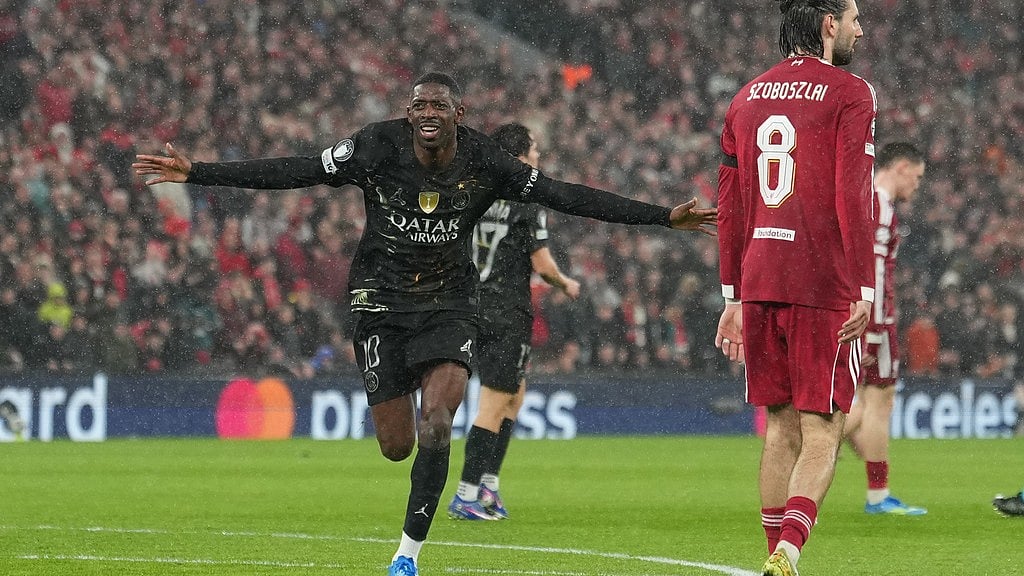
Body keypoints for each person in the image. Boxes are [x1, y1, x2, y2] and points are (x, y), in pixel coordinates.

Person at [134, 72, 716, 576]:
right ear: (408, 114)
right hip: (380, 301)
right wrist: (200, 173)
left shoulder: (485, 159)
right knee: (397, 445)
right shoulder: (375, 147)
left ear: (459, 116)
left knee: (439, 423)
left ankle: (408, 553)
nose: (429, 114)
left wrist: (662, 218)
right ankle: (411, 432)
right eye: (420, 106)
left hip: (450, 304)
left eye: (440, 106)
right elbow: (300, 169)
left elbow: (566, 195)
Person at [713, 2, 874, 574]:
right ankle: (787, 551)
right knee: (823, 429)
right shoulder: (850, 92)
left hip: (759, 278)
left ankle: (773, 554)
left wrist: (731, 294)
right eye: (855, 17)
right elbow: (854, 193)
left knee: (779, 427)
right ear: (829, 23)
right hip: (821, 281)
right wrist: (864, 286)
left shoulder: (745, 96)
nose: (861, 28)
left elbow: (727, 205)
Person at [447, 123, 581, 521]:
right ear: (521, 155)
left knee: (513, 398)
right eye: (535, 149)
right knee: (493, 404)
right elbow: (542, 264)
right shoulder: (527, 198)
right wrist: (565, 283)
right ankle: (467, 495)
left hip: (472, 306)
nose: (539, 155)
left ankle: (488, 487)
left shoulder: (475, 192)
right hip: (505, 312)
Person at [842, 142, 927, 516]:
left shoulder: (869, 199)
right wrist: (875, 321)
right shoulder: (878, 203)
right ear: (902, 167)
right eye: (918, 177)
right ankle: (877, 495)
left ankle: (807, 450)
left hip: (866, 315)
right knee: (878, 400)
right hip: (875, 317)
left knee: (863, 399)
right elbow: (871, 268)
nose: (918, 186)